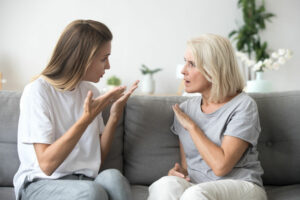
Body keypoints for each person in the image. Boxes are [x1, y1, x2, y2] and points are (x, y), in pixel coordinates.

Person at [13, 19, 139, 200]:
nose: (108, 66)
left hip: (83, 181)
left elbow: (96, 160)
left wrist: (114, 115)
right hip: (40, 184)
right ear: (82, 59)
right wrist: (85, 119)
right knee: (91, 192)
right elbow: (47, 165)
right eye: (103, 58)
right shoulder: (38, 91)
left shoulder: (90, 92)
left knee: (113, 178)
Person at [147, 34, 267, 200]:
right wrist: (180, 173)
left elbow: (221, 166)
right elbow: (187, 166)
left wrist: (192, 127)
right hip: (197, 186)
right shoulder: (185, 110)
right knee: (165, 184)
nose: (183, 70)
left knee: (195, 194)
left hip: (241, 185)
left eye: (192, 64)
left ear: (214, 69)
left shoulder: (243, 106)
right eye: (185, 62)